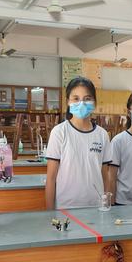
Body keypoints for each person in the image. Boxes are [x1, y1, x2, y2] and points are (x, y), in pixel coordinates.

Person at [45, 77, 112, 209]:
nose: (82, 103)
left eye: (87, 98)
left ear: (95, 102)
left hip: (96, 207)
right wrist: (49, 213)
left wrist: (106, 206)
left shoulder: (102, 135)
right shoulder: (59, 132)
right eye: (76, 98)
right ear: (68, 102)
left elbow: (105, 176)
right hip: (66, 207)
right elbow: (51, 178)